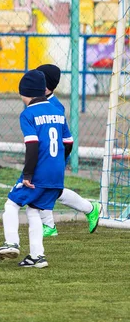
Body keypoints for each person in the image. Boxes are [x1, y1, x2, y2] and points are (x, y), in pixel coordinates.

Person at [0, 70, 74, 268]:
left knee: (11, 204)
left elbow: (32, 145)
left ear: (25, 93)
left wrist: (28, 174)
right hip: (56, 172)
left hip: (38, 172)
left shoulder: (28, 114)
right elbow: (68, 142)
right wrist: (58, 162)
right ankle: (37, 256)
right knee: (34, 210)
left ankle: (11, 242)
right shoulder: (57, 111)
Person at [35, 64, 101, 237]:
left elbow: (65, 139)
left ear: (46, 84)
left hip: (53, 156)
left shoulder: (54, 107)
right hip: (45, 156)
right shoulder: (38, 101)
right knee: (52, 190)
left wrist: (56, 160)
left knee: (43, 188)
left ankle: (49, 226)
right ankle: (90, 208)